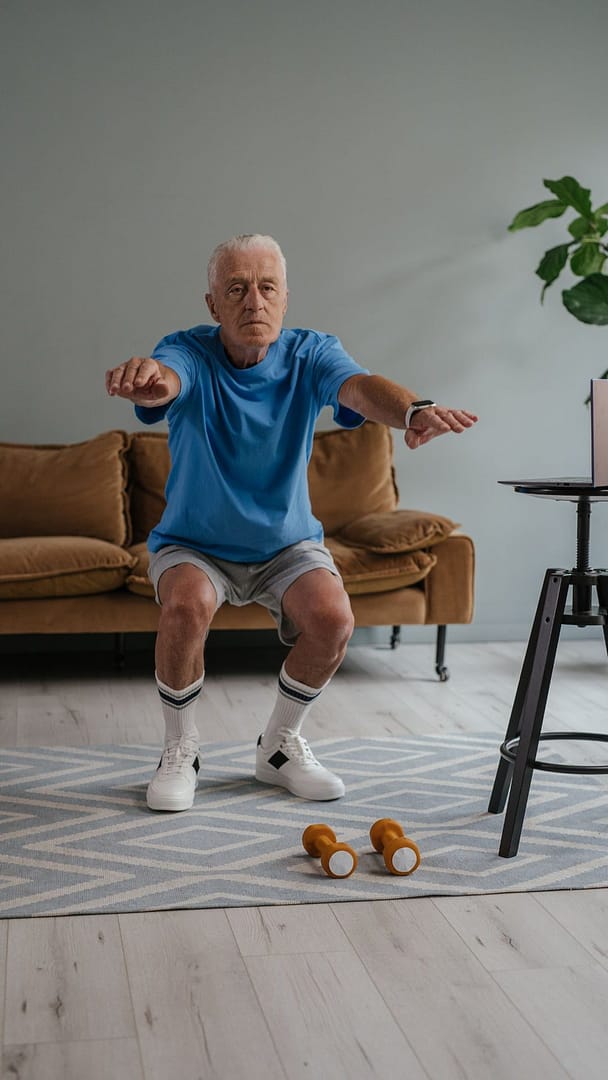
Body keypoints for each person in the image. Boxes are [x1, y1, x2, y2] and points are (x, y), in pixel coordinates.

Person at [106, 233, 477, 812]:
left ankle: (278, 748)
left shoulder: (311, 352)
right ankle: (180, 752)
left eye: (266, 287)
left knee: (333, 619)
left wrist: (413, 409)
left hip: (286, 544)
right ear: (213, 306)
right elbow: (168, 377)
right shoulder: (188, 350)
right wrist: (152, 381)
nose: (254, 301)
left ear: (284, 299)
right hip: (194, 544)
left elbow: (359, 386)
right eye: (236, 289)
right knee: (185, 606)